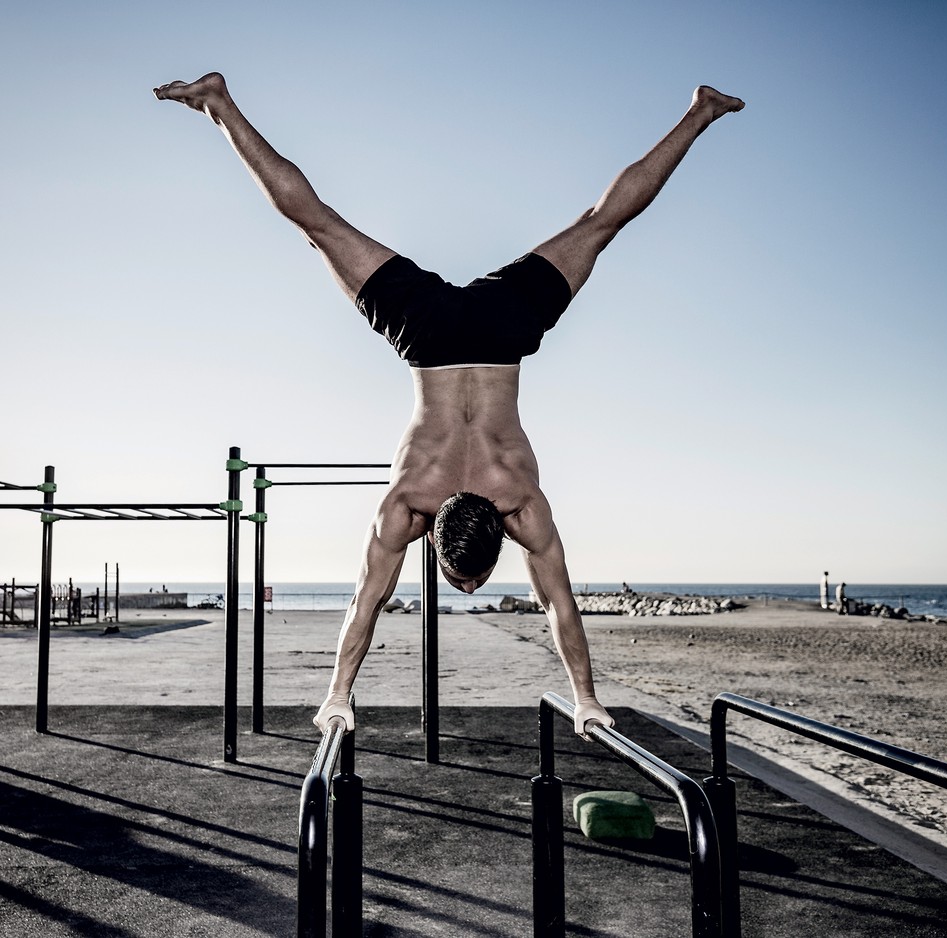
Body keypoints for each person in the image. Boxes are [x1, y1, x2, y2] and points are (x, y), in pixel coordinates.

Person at [153, 73, 744, 738]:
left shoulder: (509, 499)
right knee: (317, 226)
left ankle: (700, 114)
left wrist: (342, 695)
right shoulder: (424, 501)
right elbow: (549, 608)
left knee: (594, 224)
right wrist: (584, 697)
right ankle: (220, 104)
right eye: (474, 580)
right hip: (430, 337)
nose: (469, 589)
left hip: (499, 332)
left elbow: (389, 604)